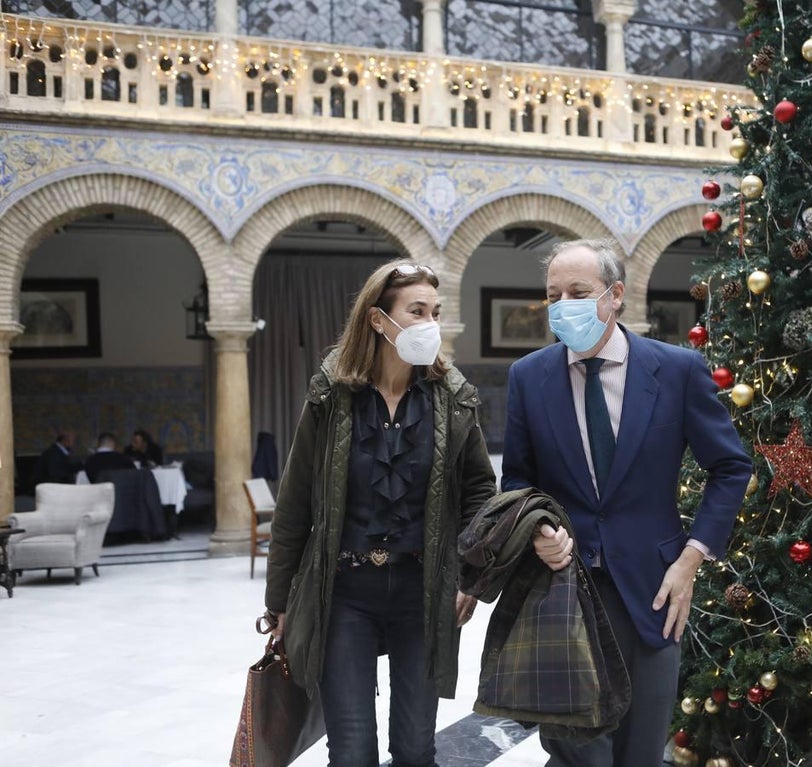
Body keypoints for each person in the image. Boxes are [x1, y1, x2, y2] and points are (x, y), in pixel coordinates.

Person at [501, 238, 753, 767]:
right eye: (553, 295)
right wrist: (538, 530)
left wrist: (691, 559)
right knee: (576, 750)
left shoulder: (677, 370)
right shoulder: (529, 377)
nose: (563, 304)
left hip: (655, 590)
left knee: (640, 749)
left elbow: (730, 467)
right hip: (563, 590)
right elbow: (519, 483)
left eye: (578, 291)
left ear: (615, 295)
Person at [264, 260, 496, 767]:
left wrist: (470, 573)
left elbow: (480, 487)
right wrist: (278, 602)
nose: (430, 324)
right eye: (417, 311)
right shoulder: (332, 394)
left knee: (415, 749)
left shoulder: (451, 397)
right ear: (377, 320)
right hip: (344, 594)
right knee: (352, 751)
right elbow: (296, 501)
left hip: (423, 592)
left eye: (435, 312)